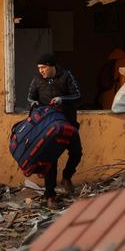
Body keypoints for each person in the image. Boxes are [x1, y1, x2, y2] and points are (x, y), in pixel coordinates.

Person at [27, 52, 82, 208]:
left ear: (52, 66)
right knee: (50, 161)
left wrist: (62, 99)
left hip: (68, 123)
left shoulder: (66, 76)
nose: (41, 71)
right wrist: (33, 103)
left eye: (44, 67)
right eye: (39, 68)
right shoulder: (37, 79)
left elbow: (78, 95)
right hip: (48, 127)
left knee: (77, 153)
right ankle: (50, 196)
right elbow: (30, 97)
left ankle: (67, 176)